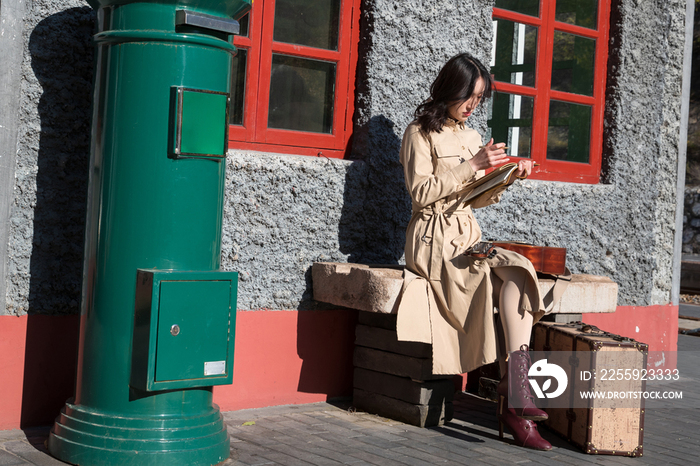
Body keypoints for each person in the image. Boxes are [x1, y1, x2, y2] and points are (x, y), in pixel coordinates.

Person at [399, 53, 551, 450]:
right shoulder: (418, 132)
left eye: (480, 99)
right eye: (470, 96)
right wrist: (473, 164)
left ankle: (517, 385)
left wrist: (506, 178)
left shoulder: (470, 136)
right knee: (488, 278)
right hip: (433, 241)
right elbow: (421, 194)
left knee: (518, 270)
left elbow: (475, 200)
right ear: (452, 88)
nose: (473, 106)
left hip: (467, 234)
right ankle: (516, 408)